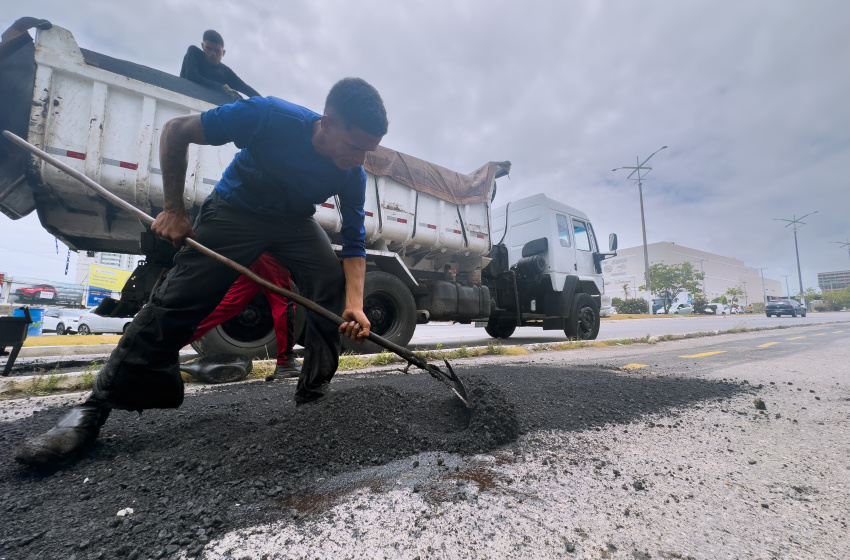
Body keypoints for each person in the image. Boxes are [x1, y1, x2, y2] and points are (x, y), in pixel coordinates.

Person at [14, 77, 388, 466]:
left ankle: (315, 393)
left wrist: (356, 304)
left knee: (330, 283)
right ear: (327, 123)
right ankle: (93, 409)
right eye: (355, 146)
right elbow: (176, 131)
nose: (360, 159)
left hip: (293, 222)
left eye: (368, 151)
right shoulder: (268, 116)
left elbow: (354, 240)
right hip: (236, 210)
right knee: (179, 298)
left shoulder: (352, 173)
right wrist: (174, 209)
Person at [190, 253, 301, 378]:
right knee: (283, 302)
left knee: (232, 303)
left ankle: (172, 339)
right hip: (269, 249)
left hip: (255, 250)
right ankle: (286, 362)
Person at [180, 30, 260, 101]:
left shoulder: (226, 72)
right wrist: (223, 88)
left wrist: (267, 103)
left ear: (223, 53)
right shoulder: (194, 52)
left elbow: (245, 88)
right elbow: (191, 75)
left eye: (217, 51)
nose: (213, 53)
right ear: (203, 46)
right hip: (186, 97)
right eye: (209, 49)